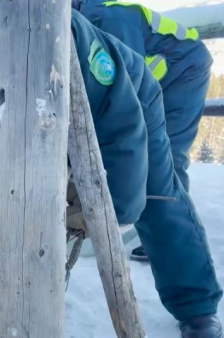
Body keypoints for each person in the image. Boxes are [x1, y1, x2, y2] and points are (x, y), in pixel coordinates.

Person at [0, 2, 222, 336]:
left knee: (155, 192)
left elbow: (121, 125)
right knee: (0, 190)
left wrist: (111, 209)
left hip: (132, 95)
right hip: (41, 116)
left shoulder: (65, 38)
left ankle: (196, 308)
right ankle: (4, 300)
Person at [74, 0, 213, 263]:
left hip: (185, 70)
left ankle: (169, 243)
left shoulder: (111, 22)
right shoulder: (87, 22)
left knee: (166, 159)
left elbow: (123, 94)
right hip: (163, 77)